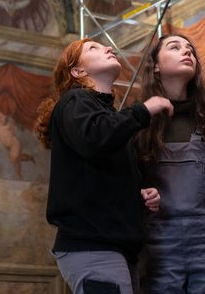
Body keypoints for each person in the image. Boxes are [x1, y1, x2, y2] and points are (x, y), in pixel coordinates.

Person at [35, 39, 173, 294]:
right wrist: (143, 110)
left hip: (113, 247)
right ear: (78, 71)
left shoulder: (107, 117)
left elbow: (101, 178)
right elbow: (96, 138)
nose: (109, 48)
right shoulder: (74, 100)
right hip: (92, 246)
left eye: (105, 46)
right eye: (94, 49)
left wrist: (139, 195)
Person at [136, 34, 205, 293]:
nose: (187, 52)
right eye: (175, 47)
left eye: (191, 50)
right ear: (156, 66)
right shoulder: (139, 122)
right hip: (157, 241)